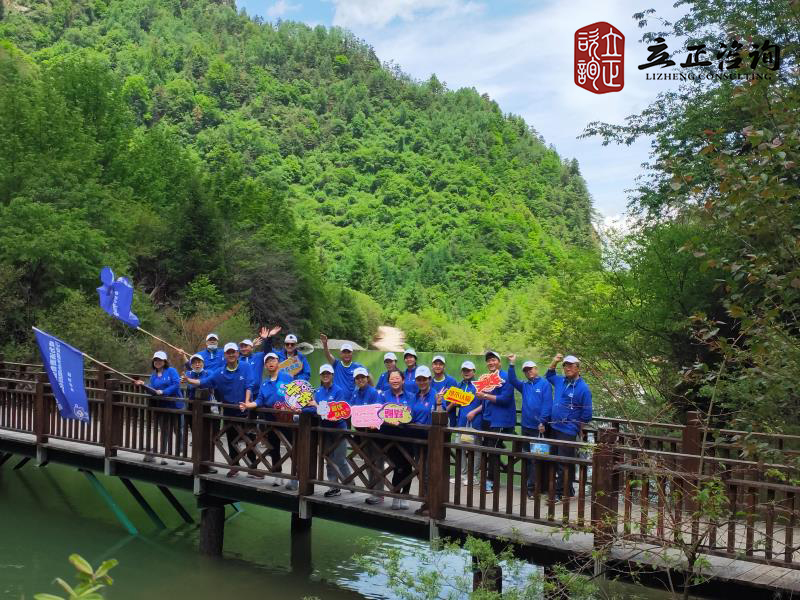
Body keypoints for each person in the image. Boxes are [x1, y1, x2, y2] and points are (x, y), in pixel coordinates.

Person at [183, 342, 257, 478]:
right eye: (228, 352)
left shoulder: (245, 366)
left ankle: (253, 468)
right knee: (232, 440)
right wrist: (189, 380)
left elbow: (249, 385)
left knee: (249, 440)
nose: (231, 355)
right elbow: (204, 382)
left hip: (245, 410)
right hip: (229, 410)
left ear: (237, 353)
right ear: (225, 355)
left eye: (233, 352)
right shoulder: (219, 372)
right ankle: (234, 466)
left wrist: (247, 402)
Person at [546, 353, 592, 500]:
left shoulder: (583, 388)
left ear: (578, 368)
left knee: (563, 462)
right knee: (555, 460)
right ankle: (568, 490)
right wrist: (554, 361)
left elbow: (587, 414)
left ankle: (560, 494)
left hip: (568, 430)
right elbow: (549, 375)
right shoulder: (560, 381)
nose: (568, 368)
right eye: (565, 366)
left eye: (571, 366)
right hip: (554, 427)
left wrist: (577, 426)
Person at [508, 355, 552, 498]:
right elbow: (512, 380)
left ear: (536, 369)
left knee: (536, 459)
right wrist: (512, 364)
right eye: (526, 370)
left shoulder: (544, 384)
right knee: (527, 457)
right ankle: (529, 486)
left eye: (530, 369)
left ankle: (534, 488)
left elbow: (547, 404)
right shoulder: (525, 385)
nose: (529, 372)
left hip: (538, 428)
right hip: (525, 427)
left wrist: (543, 421)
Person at [246, 353, 294, 486]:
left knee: (292, 447)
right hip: (270, 420)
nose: (270, 363)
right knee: (273, 448)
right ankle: (278, 475)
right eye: (267, 361)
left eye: (273, 360)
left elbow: (297, 395)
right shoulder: (265, 383)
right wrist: (249, 404)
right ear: (265, 365)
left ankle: (295, 477)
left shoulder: (287, 377)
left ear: (278, 362)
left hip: (287, 419)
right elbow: (260, 400)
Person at [133, 351, 183, 465]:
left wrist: (164, 392)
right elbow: (152, 390)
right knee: (164, 430)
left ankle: (180, 455)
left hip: (175, 405)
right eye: (155, 360)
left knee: (177, 430)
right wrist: (143, 385)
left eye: (160, 360)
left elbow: (176, 384)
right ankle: (164, 455)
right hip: (162, 406)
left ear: (164, 361)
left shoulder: (171, 371)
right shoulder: (153, 375)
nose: (157, 362)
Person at [477, 351, 516, 494]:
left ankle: (491, 482)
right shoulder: (487, 378)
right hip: (487, 419)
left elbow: (505, 399)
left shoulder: (506, 377)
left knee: (493, 451)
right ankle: (497, 473)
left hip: (500, 420)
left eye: (493, 360)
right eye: (488, 361)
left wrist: (485, 395)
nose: (490, 363)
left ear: (499, 362)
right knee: (488, 450)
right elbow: (482, 398)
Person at [408, 365, 443, 516]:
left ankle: (432, 504)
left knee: (429, 473)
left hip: (431, 441)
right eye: (419, 379)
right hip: (416, 440)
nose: (421, 382)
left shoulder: (436, 395)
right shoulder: (414, 396)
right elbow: (409, 415)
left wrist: (439, 404)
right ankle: (426, 501)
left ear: (429, 379)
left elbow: (442, 417)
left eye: (424, 379)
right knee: (420, 472)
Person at [315, 364, 353, 498]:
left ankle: (350, 482)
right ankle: (333, 486)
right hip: (325, 430)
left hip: (338, 429)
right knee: (329, 458)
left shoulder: (339, 390)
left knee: (340, 458)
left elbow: (334, 411)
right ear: (320, 376)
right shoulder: (317, 392)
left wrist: (318, 407)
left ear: (332, 375)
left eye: (328, 373)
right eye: (323, 374)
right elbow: (316, 410)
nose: (325, 376)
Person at [379, 369, 415, 510]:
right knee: (397, 466)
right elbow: (378, 413)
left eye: (397, 378)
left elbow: (412, 413)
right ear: (388, 381)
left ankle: (405, 494)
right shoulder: (383, 395)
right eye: (392, 378)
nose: (395, 380)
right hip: (389, 437)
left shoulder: (411, 396)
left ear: (403, 380)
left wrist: (403, 419)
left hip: (406, 436)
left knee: (408, 466)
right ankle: (396, 494)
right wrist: (388, 420)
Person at [350, 367, 384, 504]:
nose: (360, 380)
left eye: (362, 377)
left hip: (374, 434)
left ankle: (379, 494)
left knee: (377, 462)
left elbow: (378, 411)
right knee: (368, 461)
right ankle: (372, 490)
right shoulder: (355, 393)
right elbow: (352, 410)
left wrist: (373, 421)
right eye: (357, 378)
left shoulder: (374, 392)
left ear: (367, 378)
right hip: (361, 433)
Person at [453, 360, 482, 484]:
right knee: (459, 448)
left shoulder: (480, 385)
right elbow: (455, 403)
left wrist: (474, 412)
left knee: (476, 450)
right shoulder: (459, 385)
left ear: (474, 371)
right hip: (461, 423)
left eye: (469, 370)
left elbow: (486, 404)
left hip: (475, 423)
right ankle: (463, 475)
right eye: (464, 370)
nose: (466, 372)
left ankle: (474, 477)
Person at [320, 333, 363, 399]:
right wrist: (325, 344)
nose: (346, 354)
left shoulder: (357, 367)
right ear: (340, 354)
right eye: (344, 352)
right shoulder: (336, 364)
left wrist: (371, 391)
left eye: (348, 352)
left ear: (352, 353)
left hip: (351, 400)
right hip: (336, 399)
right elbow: (328, 355)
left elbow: (368, 376)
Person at [430, 355, 458, 426]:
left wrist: (444, 411)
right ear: (432, 366)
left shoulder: (452, 381)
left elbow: (455, 402)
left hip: (449, 420)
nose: (438, 366)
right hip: (432, 419)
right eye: (435, 364)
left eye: (440, 364)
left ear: (444, 367)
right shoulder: (429, 382)